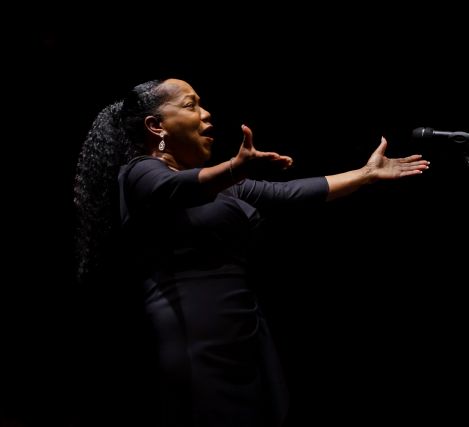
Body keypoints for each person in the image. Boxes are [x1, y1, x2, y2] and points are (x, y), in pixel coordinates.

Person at [73, 78, 429, 427]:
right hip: (193, 332)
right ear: (156, 126)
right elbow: (176, 188)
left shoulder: (220, 185)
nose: (206, 114)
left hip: (242, 326)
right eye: (191, 105)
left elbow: (289, 193)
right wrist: (234, 167)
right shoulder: (140, 172)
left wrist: (365, 174)